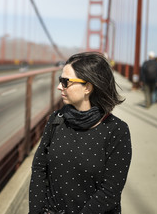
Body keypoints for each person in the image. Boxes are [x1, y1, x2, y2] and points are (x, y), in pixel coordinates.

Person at [29, 52, 132, 214]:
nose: (59, 87)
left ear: (87, 87)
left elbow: (110, 191)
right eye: (60, 81)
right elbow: (39, 169)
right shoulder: (56, 119)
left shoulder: (117, 130)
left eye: (65, 82)